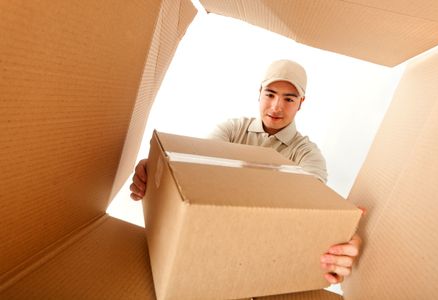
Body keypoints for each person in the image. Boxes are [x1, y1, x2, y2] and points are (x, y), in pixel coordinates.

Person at [130, 59, 363, 285]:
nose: (276, 107)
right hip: (209, 238)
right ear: (259, 93)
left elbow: (315, 210)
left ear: (301, 103)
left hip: (262, 254)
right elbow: (195, 172)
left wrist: (341, 238)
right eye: (270, 94)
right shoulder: (232, 130)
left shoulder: (308, 155)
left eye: (289, 99)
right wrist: (156, 166)